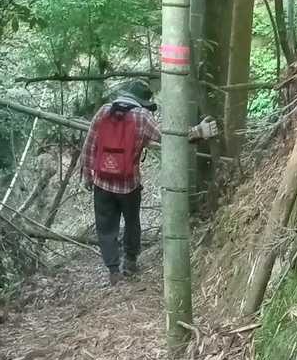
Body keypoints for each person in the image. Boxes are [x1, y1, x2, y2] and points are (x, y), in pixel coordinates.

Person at [81, 78, 217, 285]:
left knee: (106, 227)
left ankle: (113, 270)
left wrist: (87, 175)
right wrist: (200, 131)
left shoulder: (103, 111)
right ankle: (130, 262)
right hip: (129, 184)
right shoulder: (142, 116)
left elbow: (89, 144)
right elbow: (170, 137)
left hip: (102, 182)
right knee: (132, 222)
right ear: (142, 101)